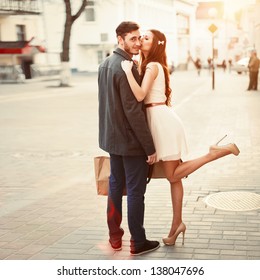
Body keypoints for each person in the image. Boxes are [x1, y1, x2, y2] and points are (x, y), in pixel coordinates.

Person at [121, 29, 240, 246]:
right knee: (174, 178)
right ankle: (177, 225)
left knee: (173, 175)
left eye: (146, 38)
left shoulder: (153, 66)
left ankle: (214, 154)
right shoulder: (150, 65)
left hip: (161, 122)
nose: (141, 40)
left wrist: (127, 71)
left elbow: (139, 95)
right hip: (160, 119)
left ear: (156, 44)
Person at [98, 21, 160, 256]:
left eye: (138, 38)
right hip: (130, 141)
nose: (137, 43)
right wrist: (149, 147)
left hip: (112, 139)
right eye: (132, 39)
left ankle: (115, 237)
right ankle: (138, 241)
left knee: (115, 187)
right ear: (120, 39)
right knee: (135, 191)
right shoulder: (125, 66)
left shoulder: (105, 64)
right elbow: (133, 111)